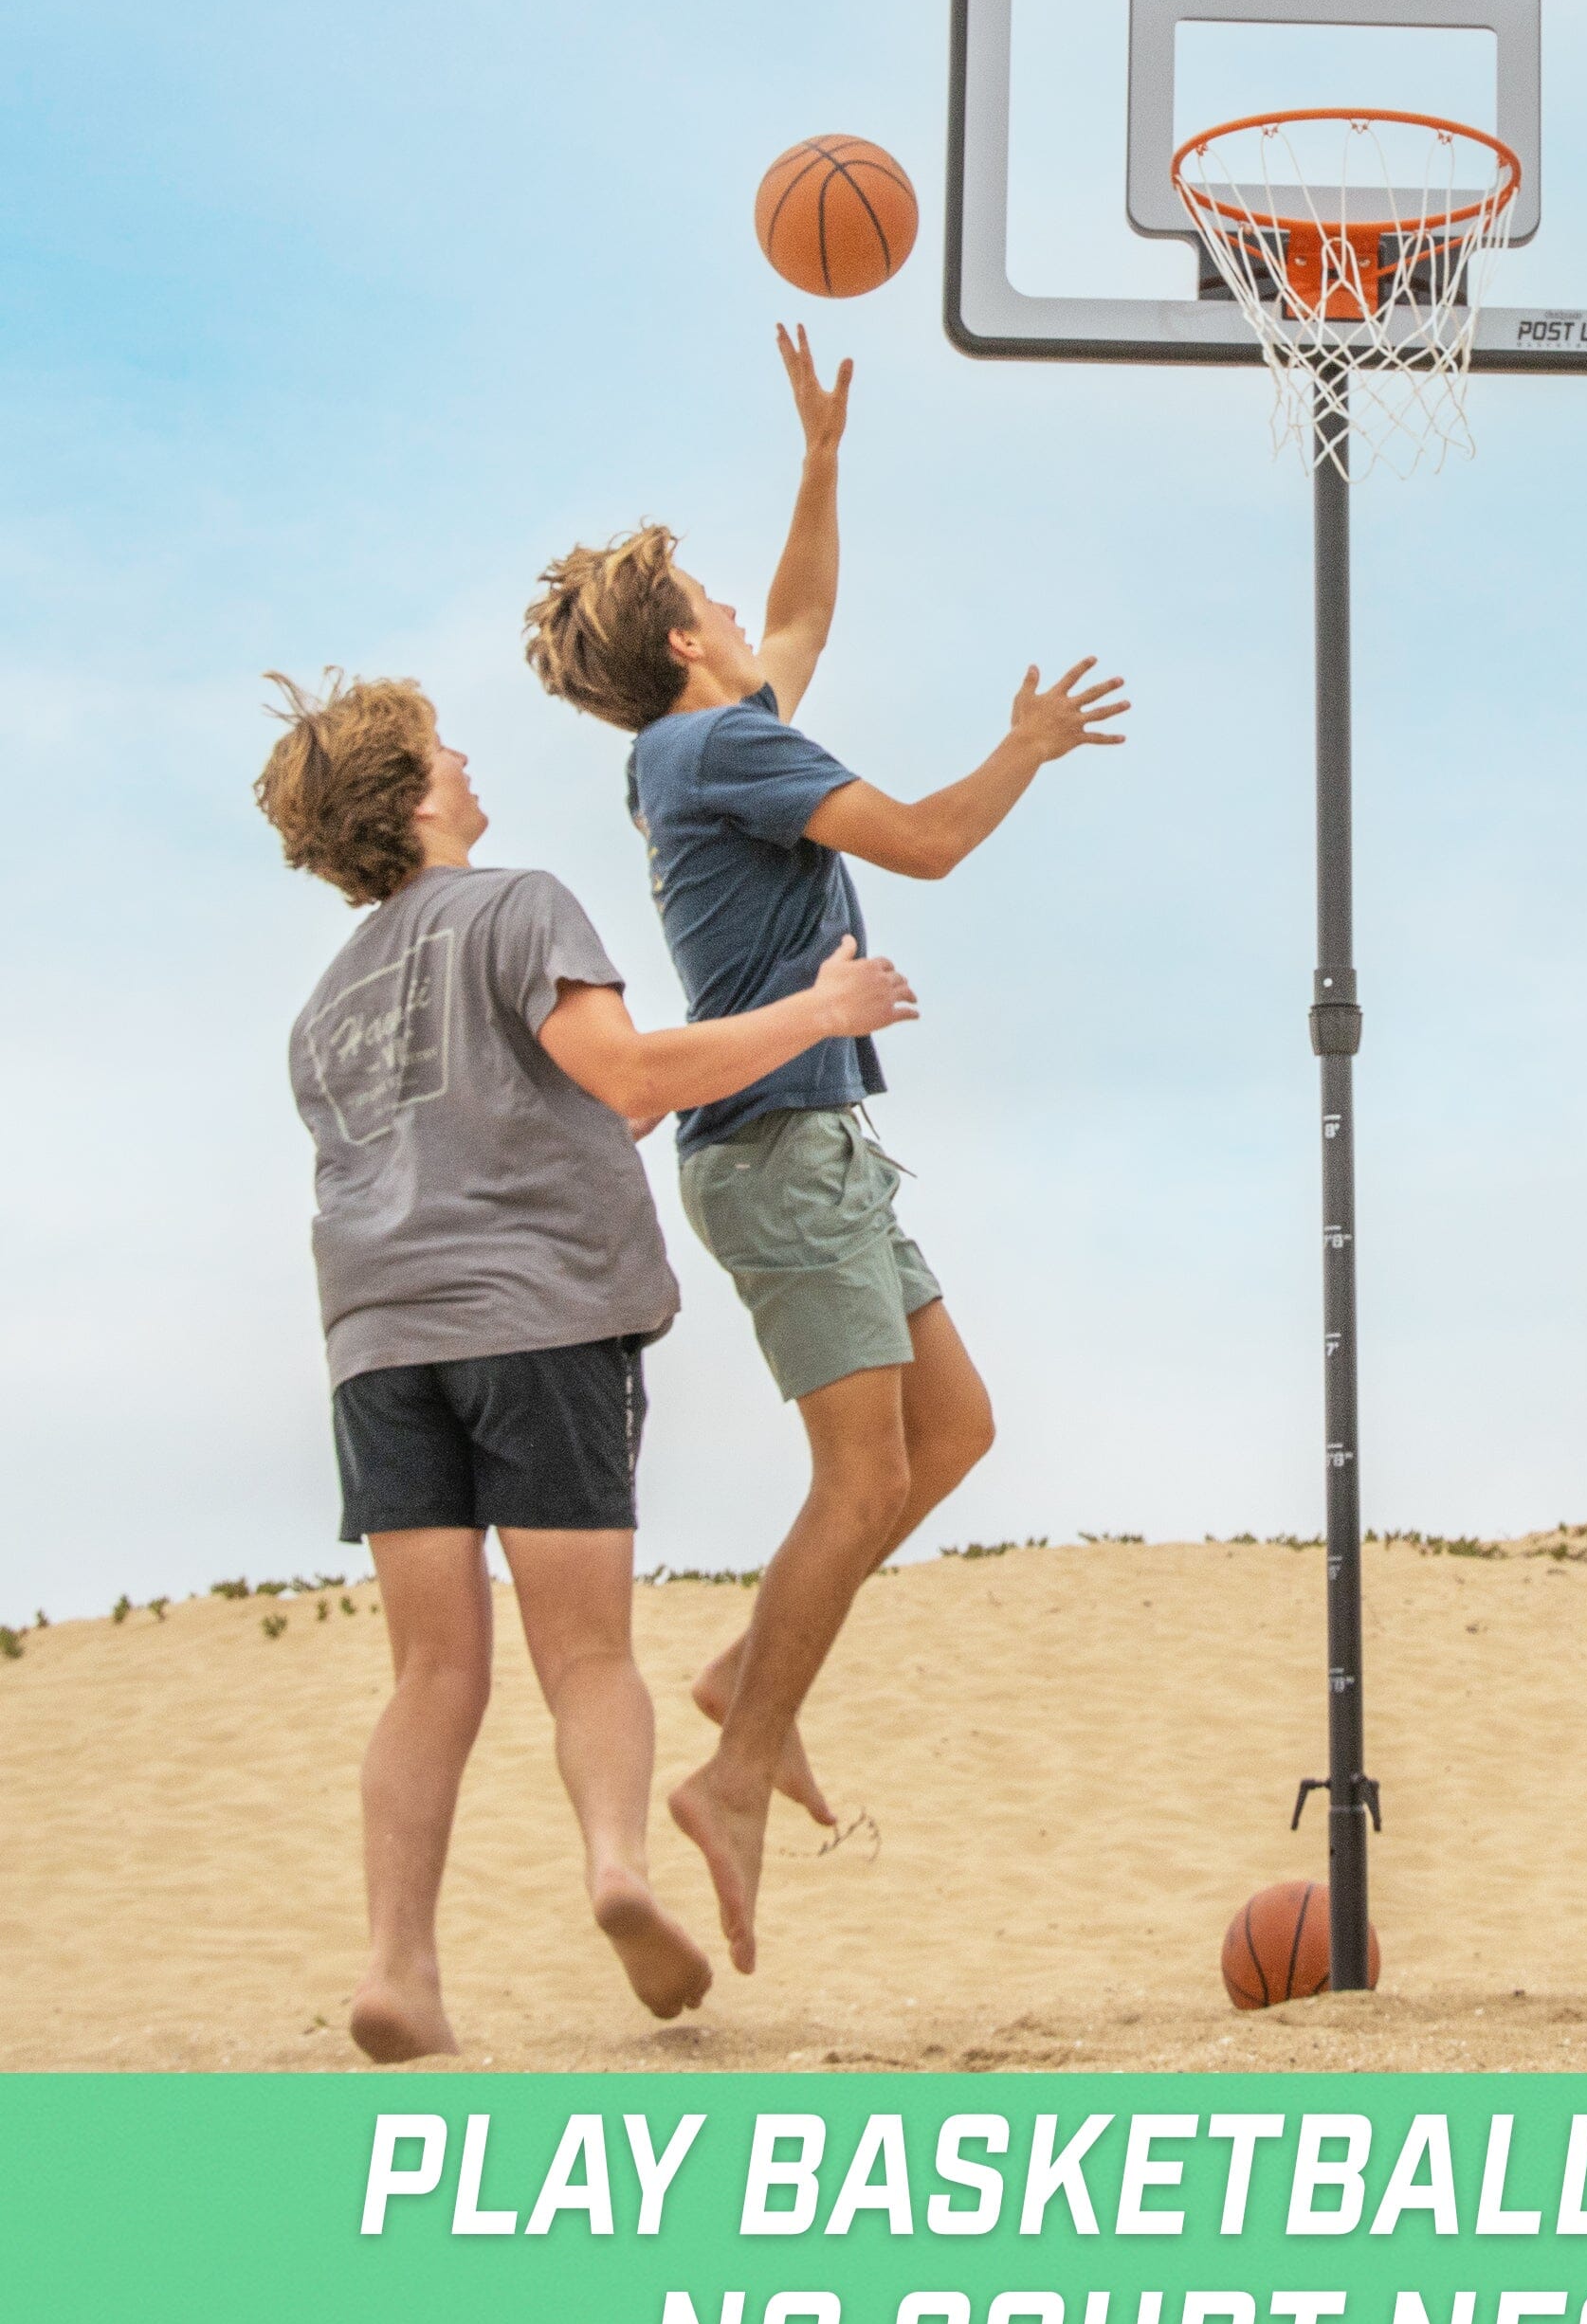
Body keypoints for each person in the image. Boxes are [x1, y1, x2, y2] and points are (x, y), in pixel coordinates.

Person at [521, 325, 1130, 1977]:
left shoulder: (701, 740)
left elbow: (796, 617)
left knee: (956, 1432)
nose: (736, 608)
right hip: (779, 1145)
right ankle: (729, 1770)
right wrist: (1030, 745)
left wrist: (819, 459)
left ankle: (748, 1689)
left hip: (811, 1146)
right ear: (673, 635)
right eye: (703, 596)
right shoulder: (719, 748)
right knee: (863, 1475)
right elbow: (926, 842)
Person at [260, 669, 915, 2062]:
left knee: (431, 1671)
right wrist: (820, 1009)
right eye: (444, 748)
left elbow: (497, 1128)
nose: (468, 759)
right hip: (536, 1323)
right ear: (412, 790)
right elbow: (626, 1078)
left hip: (376, 1348)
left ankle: (399, 1969)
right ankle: (617, 1864)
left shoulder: (325, 1007)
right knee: (588, 1655)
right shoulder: (517, 904)